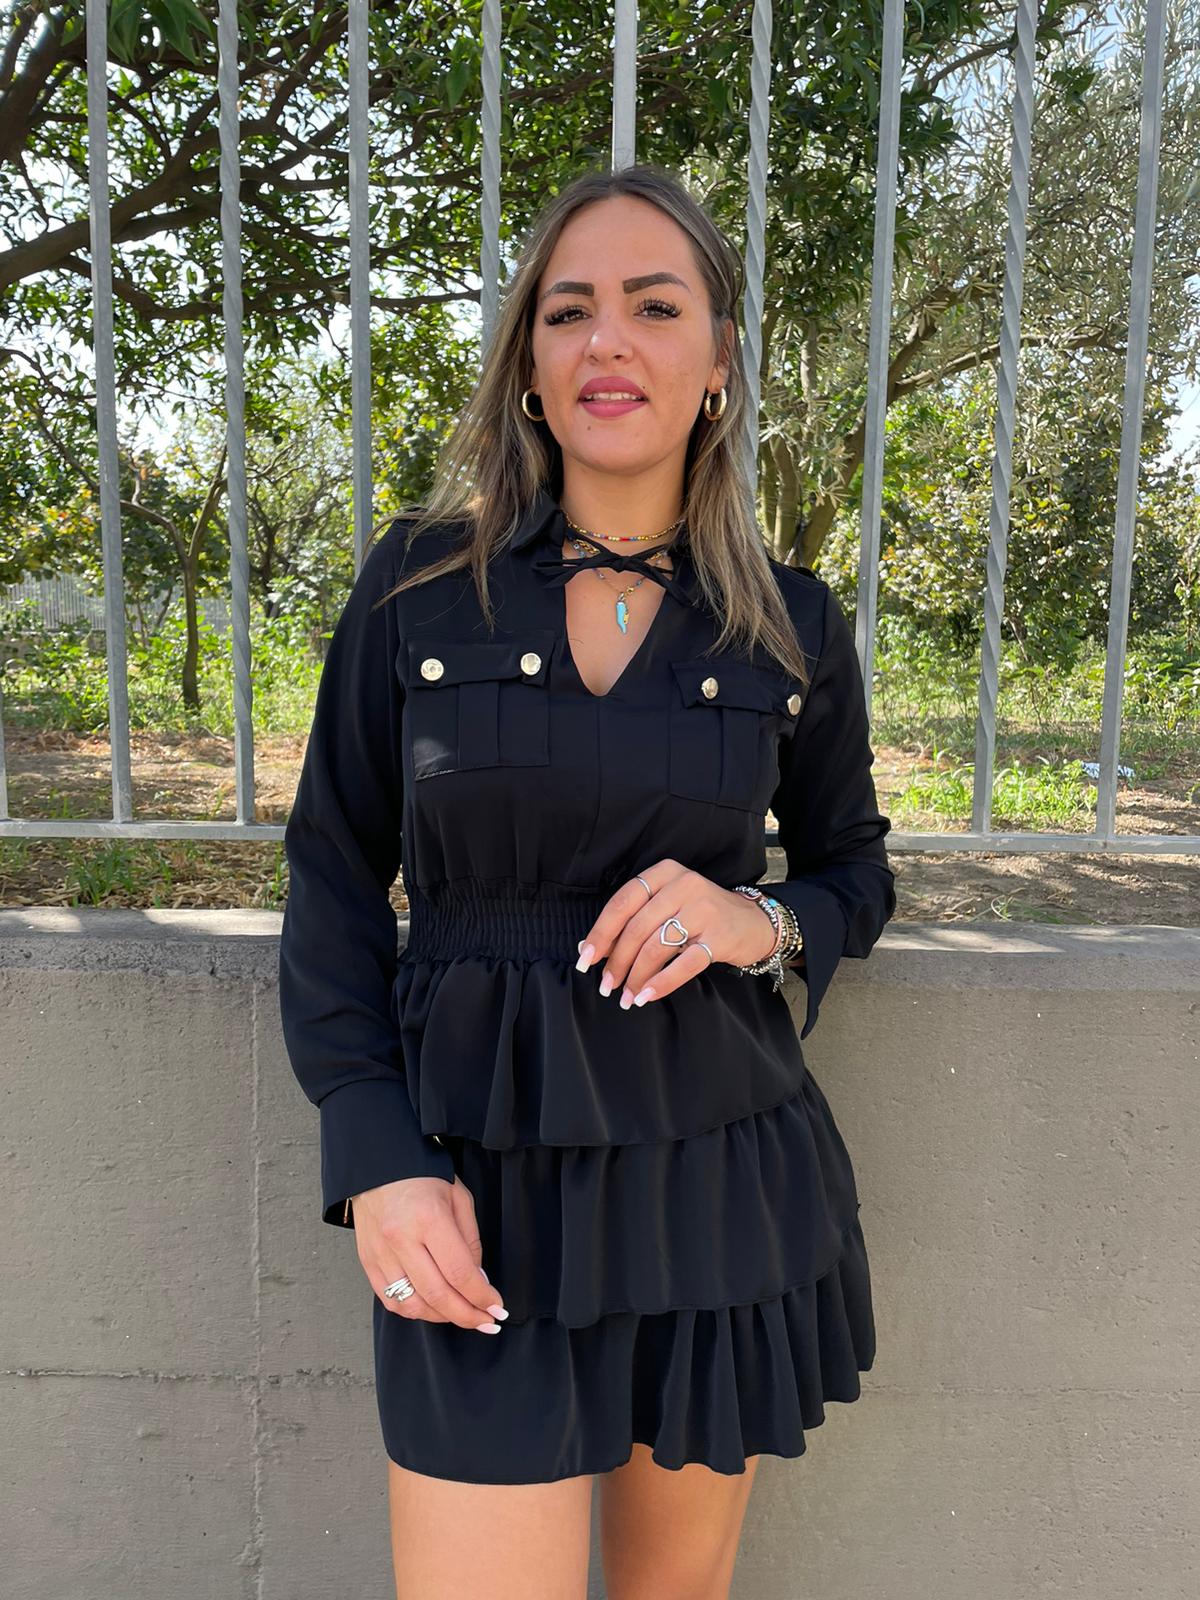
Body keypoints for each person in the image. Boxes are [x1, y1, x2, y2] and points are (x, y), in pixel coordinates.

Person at [278, 162, 896, 1600]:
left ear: (719, 359)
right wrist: (373, 1155)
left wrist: (757, 919)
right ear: (529, 365)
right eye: (569, 311)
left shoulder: (790, 625)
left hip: (715, 1178)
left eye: (654, 306)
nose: (607, 340)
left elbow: (854, 870)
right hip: (470, 1191)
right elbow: (330, 876)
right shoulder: (418, 587)